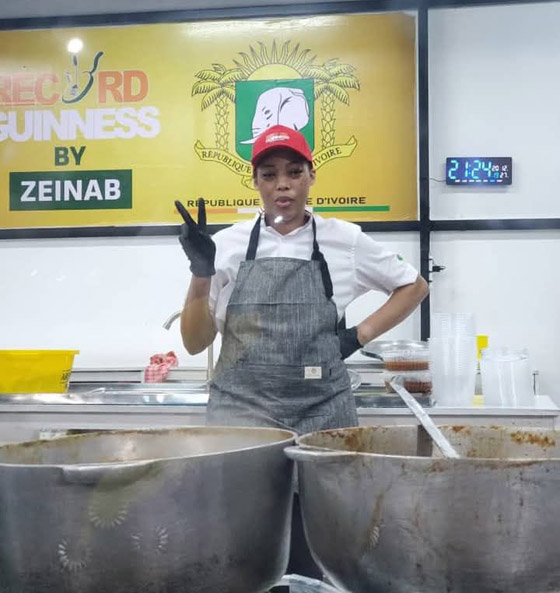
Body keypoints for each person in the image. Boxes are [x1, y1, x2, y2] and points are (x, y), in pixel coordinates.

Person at [175, 124, 428, 581]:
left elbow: (414, 286)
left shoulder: (344, 240)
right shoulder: (228, 244)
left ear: (312, 176)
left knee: (322, 542)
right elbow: (195, 342)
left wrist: (357, 336)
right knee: (244, 545)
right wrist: (201, 271)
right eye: (269, 174)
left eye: (294, 172)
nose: (283, 184)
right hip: (243, 416)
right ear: (255, 182)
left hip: (321, 413)